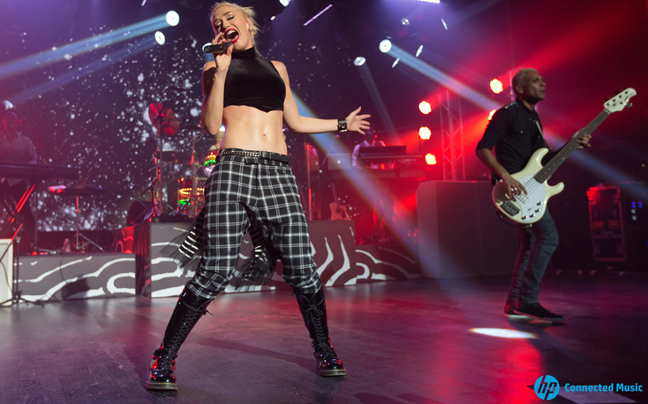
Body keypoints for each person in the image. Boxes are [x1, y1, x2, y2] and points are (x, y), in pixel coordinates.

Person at [146, 1, 371, 390]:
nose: (223, 23)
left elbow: (294, 121)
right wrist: (219, 71)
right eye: (217, 22)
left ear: (249, 24)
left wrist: (341, 124)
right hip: (233, 168)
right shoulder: (214, 68)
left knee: (302, 267)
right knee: (215, 270)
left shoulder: (277, 68)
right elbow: (210, 125)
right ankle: (164, 358)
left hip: (277, 172)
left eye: (230, 16)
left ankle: (324, 350)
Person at [475, 68, 590, 322]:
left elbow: (543, 160)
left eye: (543, 80)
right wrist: (505, 176)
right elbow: (482, 149)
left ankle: (514, 303)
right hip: (513, 191)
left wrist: (572, 144)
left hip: (530, 191)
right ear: (519, 88)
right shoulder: (507, 113)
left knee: (530, 243)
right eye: (535, 81)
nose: (542, 84)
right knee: (548, 236)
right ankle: (526, 299)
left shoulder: (534, 119)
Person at [0, 101, 37, 251]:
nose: (11, 121)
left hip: (17, 181)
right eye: (8, 118)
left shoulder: (25, 141)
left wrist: (25, 168)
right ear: (3, 121)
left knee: (26, 211)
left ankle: (31, 243)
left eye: (13, 118)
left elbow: (34, 159)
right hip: (1, 180)